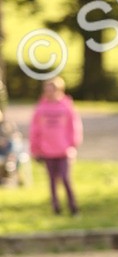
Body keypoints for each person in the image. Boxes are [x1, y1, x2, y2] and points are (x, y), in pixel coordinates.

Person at [28, 78, 83, 215]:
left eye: (52, 90)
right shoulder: (41, 108)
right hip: (47, 150)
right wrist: (35, 148)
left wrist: (73, 145)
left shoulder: (66, 107)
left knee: (65, 178)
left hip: (63, 150)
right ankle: (56, 206)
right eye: (47, 90)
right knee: (52, 180)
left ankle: (73, 206)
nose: (49, 92)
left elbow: (74, 127)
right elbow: (35, 129)